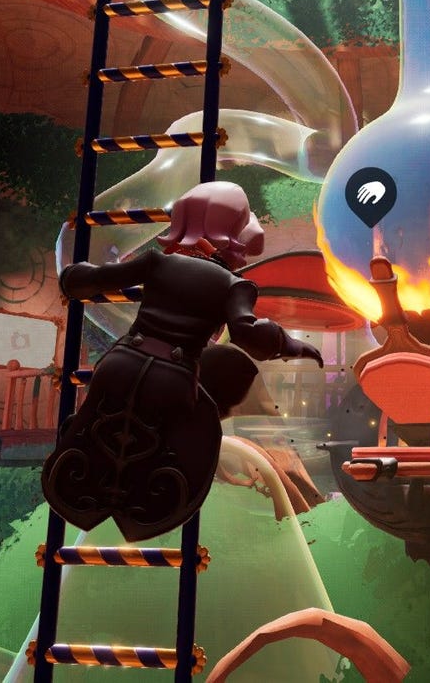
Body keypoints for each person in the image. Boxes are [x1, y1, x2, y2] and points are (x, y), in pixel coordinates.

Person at [42, 181, 323, 542]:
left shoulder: (157, 262)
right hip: (173, 375)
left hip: (122, 361)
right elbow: (248, 335)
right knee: (183, 442)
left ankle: (81, 489)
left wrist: (71, 275)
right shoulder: (236, 286)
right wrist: (292, 346)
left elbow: (91, 280)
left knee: (89, 424)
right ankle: (143, 510)